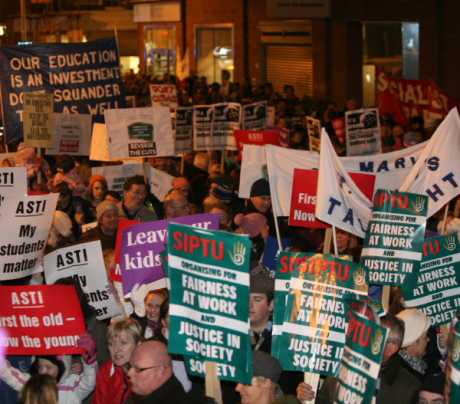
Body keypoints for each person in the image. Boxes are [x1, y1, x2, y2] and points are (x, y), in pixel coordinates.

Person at [93, 318, 142, 404]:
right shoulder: (106, 370)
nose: (116, 349)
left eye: (123, 343)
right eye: (111, 344)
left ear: (138, 345)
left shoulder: (146, 374)